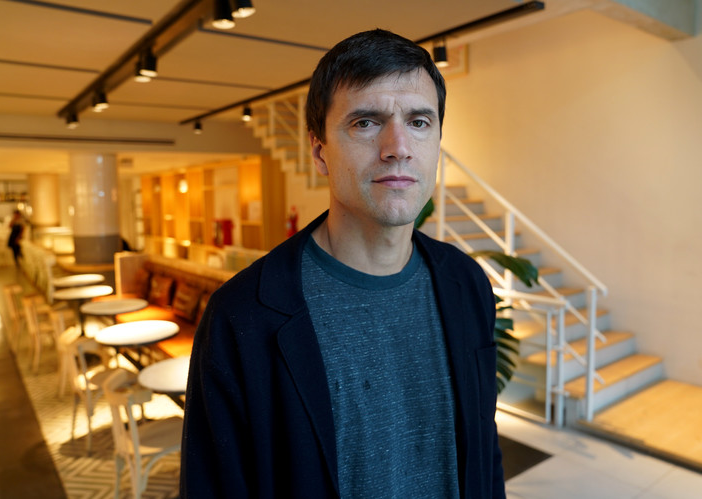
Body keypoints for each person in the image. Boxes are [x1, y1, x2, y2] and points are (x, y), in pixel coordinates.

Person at [181, 29, 505, 498]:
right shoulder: (242, 317)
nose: (398, 146)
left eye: (419, 121)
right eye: (366, 123)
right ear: (319, 152)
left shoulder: (467, 284)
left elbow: (483, 452)